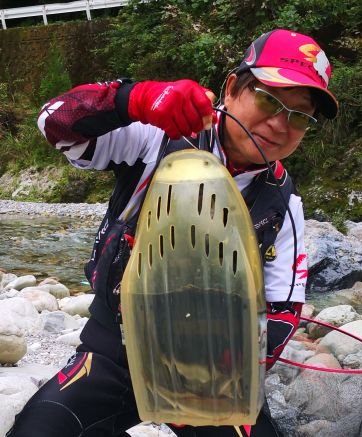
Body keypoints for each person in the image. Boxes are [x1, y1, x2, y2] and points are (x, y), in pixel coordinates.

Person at [7, 29, 338, 437]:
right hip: (116, 350)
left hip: (213, 375)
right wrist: (135, 99)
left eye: (299, 115)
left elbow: (285, 305)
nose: (279, 122)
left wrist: (231, 365)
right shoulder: (159, 132)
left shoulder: (284, 201)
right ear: (233, 88)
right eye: (270, 99)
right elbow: (55, 124)